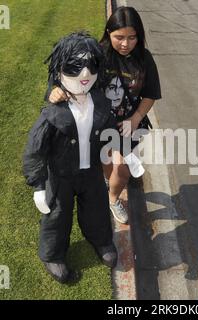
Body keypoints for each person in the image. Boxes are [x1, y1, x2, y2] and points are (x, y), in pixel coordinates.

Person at [48, 6, 161, 225]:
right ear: (108, 33)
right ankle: (108, 181)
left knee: (123, 169)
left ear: (139, 36)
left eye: (132, 37)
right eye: (119, 37)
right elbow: (67, 72)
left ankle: (112, 198)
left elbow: (150, 95)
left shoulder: (144, 59)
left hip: (127, 124)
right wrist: (56, 89)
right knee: (108, 162)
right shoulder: (96, 55)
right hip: (97, 121)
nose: (125, 44)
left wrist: (136, 118)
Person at [23, 32, 118, 284]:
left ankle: (101, 240)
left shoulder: (101, 103)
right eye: (75, 67)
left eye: (91, 65)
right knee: (57, 214)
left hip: (91, 173)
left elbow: (110, 132)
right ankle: (52, 254)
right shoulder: (53, 113)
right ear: (60, 70)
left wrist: (123, 153)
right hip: (61, 175)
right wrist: (38, 185)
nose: (85, 74)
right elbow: (35, 148)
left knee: (96, 209)